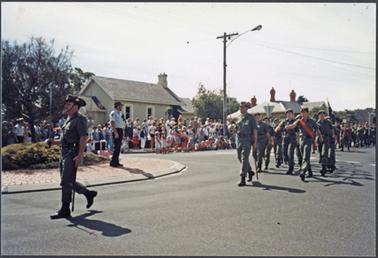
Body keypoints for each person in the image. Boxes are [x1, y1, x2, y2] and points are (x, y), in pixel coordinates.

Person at [50, 95, 97, 219]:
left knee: (66, 181)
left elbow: (83, 137)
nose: (66, 106)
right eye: (66, 104)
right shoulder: (68, 119)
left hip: (72, 154)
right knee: (68, 180)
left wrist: (80, 154)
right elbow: (65, 138)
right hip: (64, 153)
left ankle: (65, 209)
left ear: (76, 107)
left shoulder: (80, 119)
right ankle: (88, 193)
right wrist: (53, 142)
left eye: (69, 104)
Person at [287, 108, 323, 181]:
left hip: (309, 140)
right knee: (304, 156)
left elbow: (317, 130)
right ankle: (310, 172)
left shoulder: (312, 121)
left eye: (304, 112)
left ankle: (303, 171)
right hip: (302, 140)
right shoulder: (299, 121)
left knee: (305, 155)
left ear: (307, 113)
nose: (303, 114)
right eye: (302, 113)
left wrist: (320, 137)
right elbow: (293, 125)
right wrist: (288, 127)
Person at [234, 102, 257, 186]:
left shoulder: (251, 118)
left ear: (246, 108)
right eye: (240, 107)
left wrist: (255, 142)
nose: (240, 109)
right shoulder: (238, 118)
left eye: (242, 107)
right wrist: (232, 129)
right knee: (240, 157)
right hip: (239, 139)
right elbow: (236, 129)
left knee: (244, 157)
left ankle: (243, 177)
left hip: (247, 139)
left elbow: (255, 131)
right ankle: (250, 171)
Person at [317, 111, 335, 176]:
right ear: (318, 116)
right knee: (320, 153)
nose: (321, 116)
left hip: (326, 138)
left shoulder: (328, 122)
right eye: (320, 115)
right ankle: (325, 164)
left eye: (323, 115)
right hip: (319, 138)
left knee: (325, 152)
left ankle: (323, 167)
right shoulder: (317, 123)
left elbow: (332, 128)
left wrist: (333, 134)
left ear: (324, 116)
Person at [109, 101, 125, 167]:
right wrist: (115, 132)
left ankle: (116, 161)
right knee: (116, 147)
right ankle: (113, 162)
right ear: (117, 106)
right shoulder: (113, 113)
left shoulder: (119, 114)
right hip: (116, 130)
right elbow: (112, 123)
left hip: (120, 130)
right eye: (120, 105)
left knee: (118, 147)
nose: (121, 107)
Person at [283, 109, 298, 175]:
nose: (288, 115)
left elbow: (298, 131)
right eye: (287, 114)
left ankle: (290, 168)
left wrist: (298, 139)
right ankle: (291, 163)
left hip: (293, 138)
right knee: (284, 152)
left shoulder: (295, 121)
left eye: (290, 114)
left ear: (292, 114)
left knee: (290, 152)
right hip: (286, 138)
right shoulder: (285, 121)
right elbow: (283, 130)